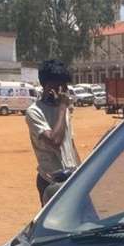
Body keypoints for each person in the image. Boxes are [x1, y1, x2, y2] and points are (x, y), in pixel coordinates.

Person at [25, 59, 80, 204]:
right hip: (51, 182)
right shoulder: (34, 112)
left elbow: (70, 144)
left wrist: (81, 171)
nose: (65, 91)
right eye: (61, 86)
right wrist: (62, 107)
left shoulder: (64, 110)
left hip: (72, 178)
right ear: (49, 87)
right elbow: (55, 141)